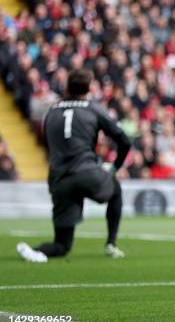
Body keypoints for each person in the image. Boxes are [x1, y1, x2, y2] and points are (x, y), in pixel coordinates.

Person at [16, 69, 131, 262]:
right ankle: (111, 244)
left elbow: (46, 142)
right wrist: (114, 167)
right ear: (89, 88)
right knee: (116, 191)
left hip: (59, 178)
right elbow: (125, 141)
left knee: (62, 245)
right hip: (87, 172)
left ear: (67, 87)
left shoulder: (51, 110)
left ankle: (37, 252)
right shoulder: (92, 108)